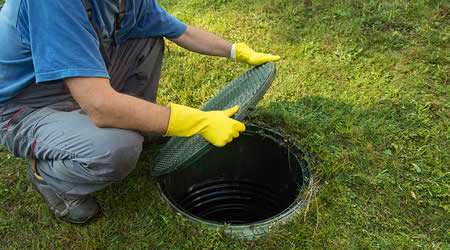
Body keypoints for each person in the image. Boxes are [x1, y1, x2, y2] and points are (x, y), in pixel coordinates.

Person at [0, 0, 280, 224]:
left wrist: (235, 51)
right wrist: (194, 121)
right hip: (25, 106)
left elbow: (180, 31)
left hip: (74, 82)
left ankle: (136, 124)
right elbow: (99, 106)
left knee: (147, 39)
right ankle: (49, 178)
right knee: (117, 148)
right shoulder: (50, 4)